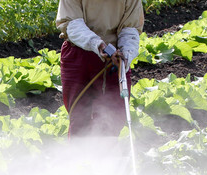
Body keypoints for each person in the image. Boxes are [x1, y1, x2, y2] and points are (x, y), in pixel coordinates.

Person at [56, 0, 144, 137]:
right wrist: (98, 45)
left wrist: (126, 53)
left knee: (113, 116)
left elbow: (129, 29)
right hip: (79, 53)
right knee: (80, 117)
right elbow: (72, 24)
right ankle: (78, 156)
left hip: (115, 57)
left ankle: (107, 154)